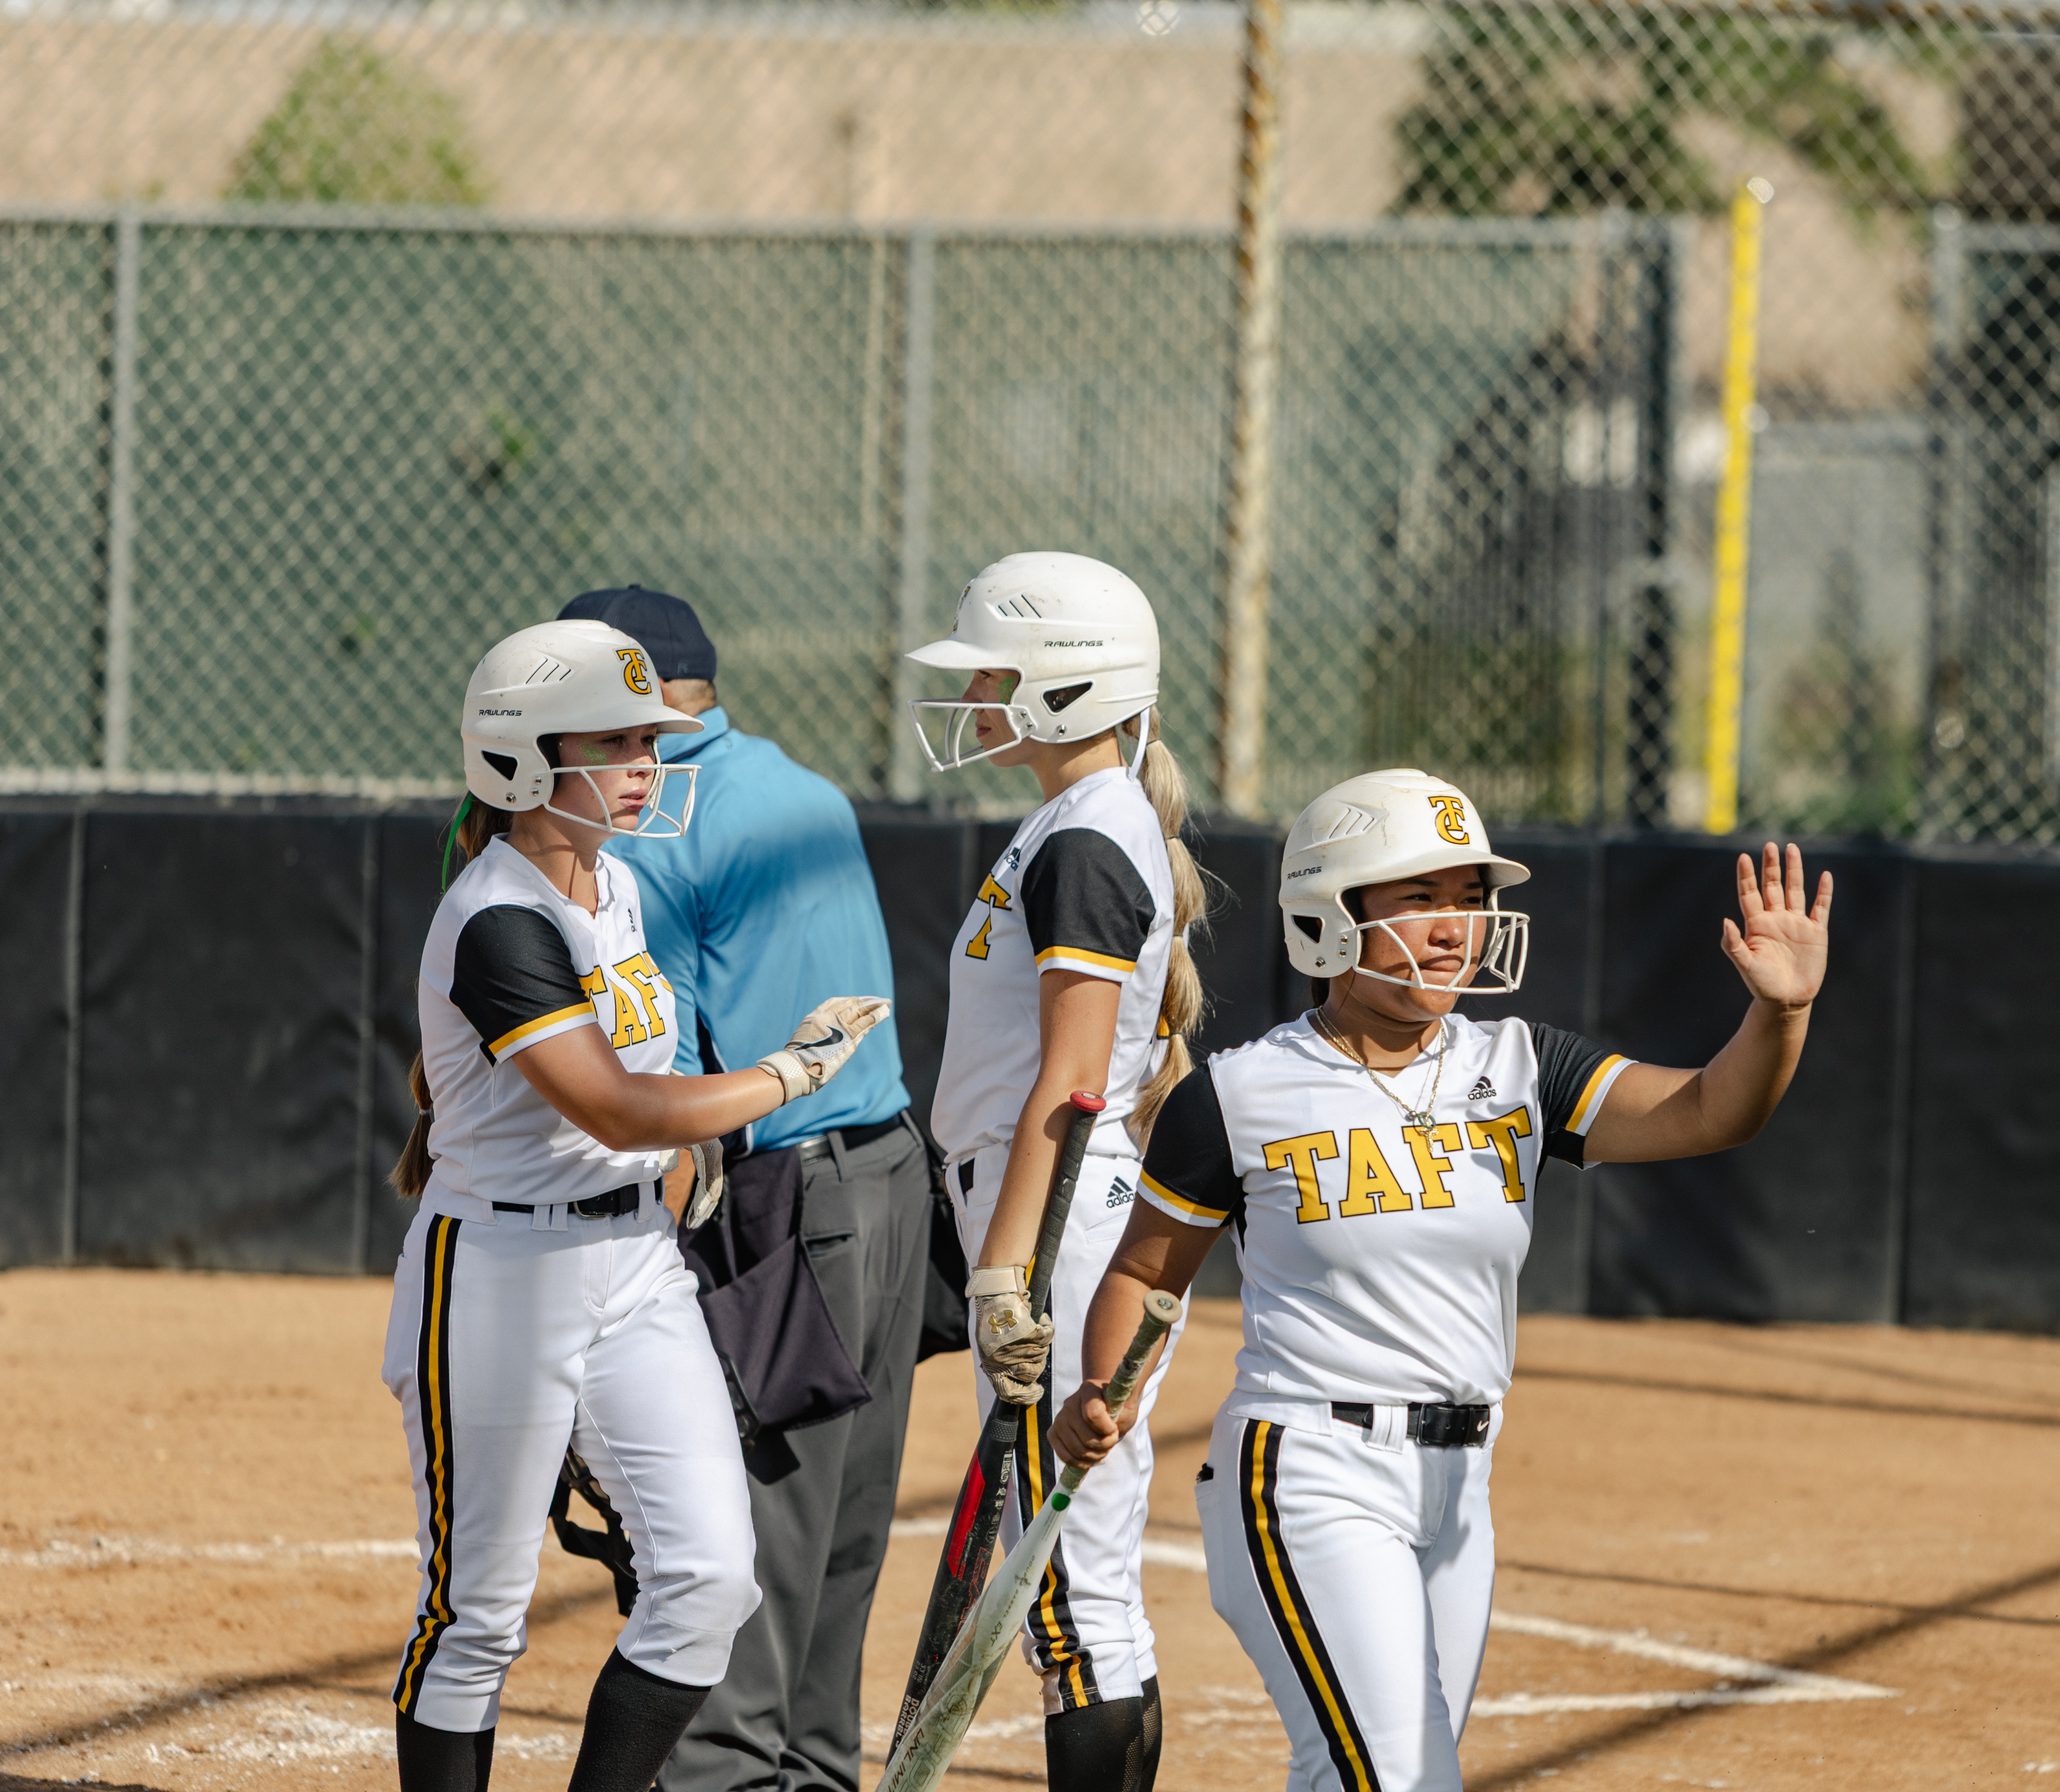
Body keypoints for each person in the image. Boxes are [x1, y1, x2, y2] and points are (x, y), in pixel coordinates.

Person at [1048, 767, 1831, 1792]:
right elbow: (1146, 1269)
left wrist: (1781, 1015)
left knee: (1364, 1774)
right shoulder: (1239, 1093)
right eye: (1420, 897)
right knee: (1400, 1778)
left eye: (1471, 898)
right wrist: (1104, 1390)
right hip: (1305, 1474)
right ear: (1331, 915)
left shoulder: (1519, 1063)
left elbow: (1710, 1111)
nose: (1457, 925)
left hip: (1461, 1484)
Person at [386, 618, 887, 1792]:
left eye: (649, 744)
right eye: (611, 745)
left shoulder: (612, 887)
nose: (642, 769)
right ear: (515, 762)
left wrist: (689, 1161)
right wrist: (785, 1077)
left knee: (713, 1580)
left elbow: (640, 1110)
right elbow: (613, 1105)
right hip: (500, 1278)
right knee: (478, 1617)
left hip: (633, 1265)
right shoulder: (497, 914)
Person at [551, 587, 935, 1792]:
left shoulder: (648, 825)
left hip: (785, 1206)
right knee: (836, 1557)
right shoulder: (800, 785)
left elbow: (652, 1075)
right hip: (892, 1183)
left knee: (746, 1568)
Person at [903, 550, 1205, 1792]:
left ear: (1069, 690)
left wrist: (1006, 1267)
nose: (976, 690)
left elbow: (1078, 1083)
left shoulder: (1086, 837)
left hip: (1061, 1217)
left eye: (999, 670)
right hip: (1059, 1208)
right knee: (1086, 1588)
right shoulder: (1078, 822)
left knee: (1070, 1597)